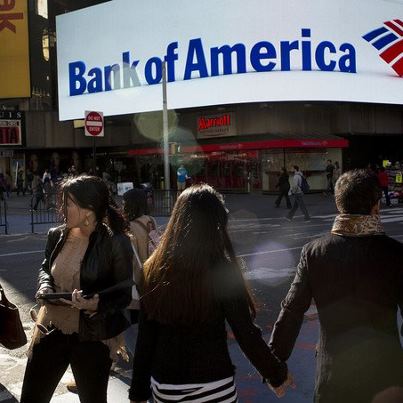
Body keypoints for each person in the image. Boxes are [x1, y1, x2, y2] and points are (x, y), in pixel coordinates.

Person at [129, 184, 294, 403]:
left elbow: (146, 337)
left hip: (166, 385)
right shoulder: (222, 269)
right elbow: (245, 333)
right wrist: (276, 375)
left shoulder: (154, 268)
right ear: (216, 224)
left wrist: (138, 392)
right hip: (214, 382)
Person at [270, 169, 403, 403]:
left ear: (339, 205)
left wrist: (274, 367)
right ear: (376, 206)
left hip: (333, 378)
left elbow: (291, 310)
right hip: (387, 377)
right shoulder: (395, 254)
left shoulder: (314, 253)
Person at [20, 175, 133, 403]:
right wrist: (45, 285)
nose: (62, 208)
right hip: (51, 328)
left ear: (88, 209)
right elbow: (45, 268)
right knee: (32, 397)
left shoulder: (116, 242)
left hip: (92, 336)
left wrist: (97, 303)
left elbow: (123, 293)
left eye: (68, 203)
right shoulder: (57, 235)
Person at [122, 188, 157, 355]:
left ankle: (140, 358)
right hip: (151, 279)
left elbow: (129, 259)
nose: (122, 207)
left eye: (124, 203)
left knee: (129, 324)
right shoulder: (151, 221)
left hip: (136, 281)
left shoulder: (129, 227)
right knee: (146, 322)